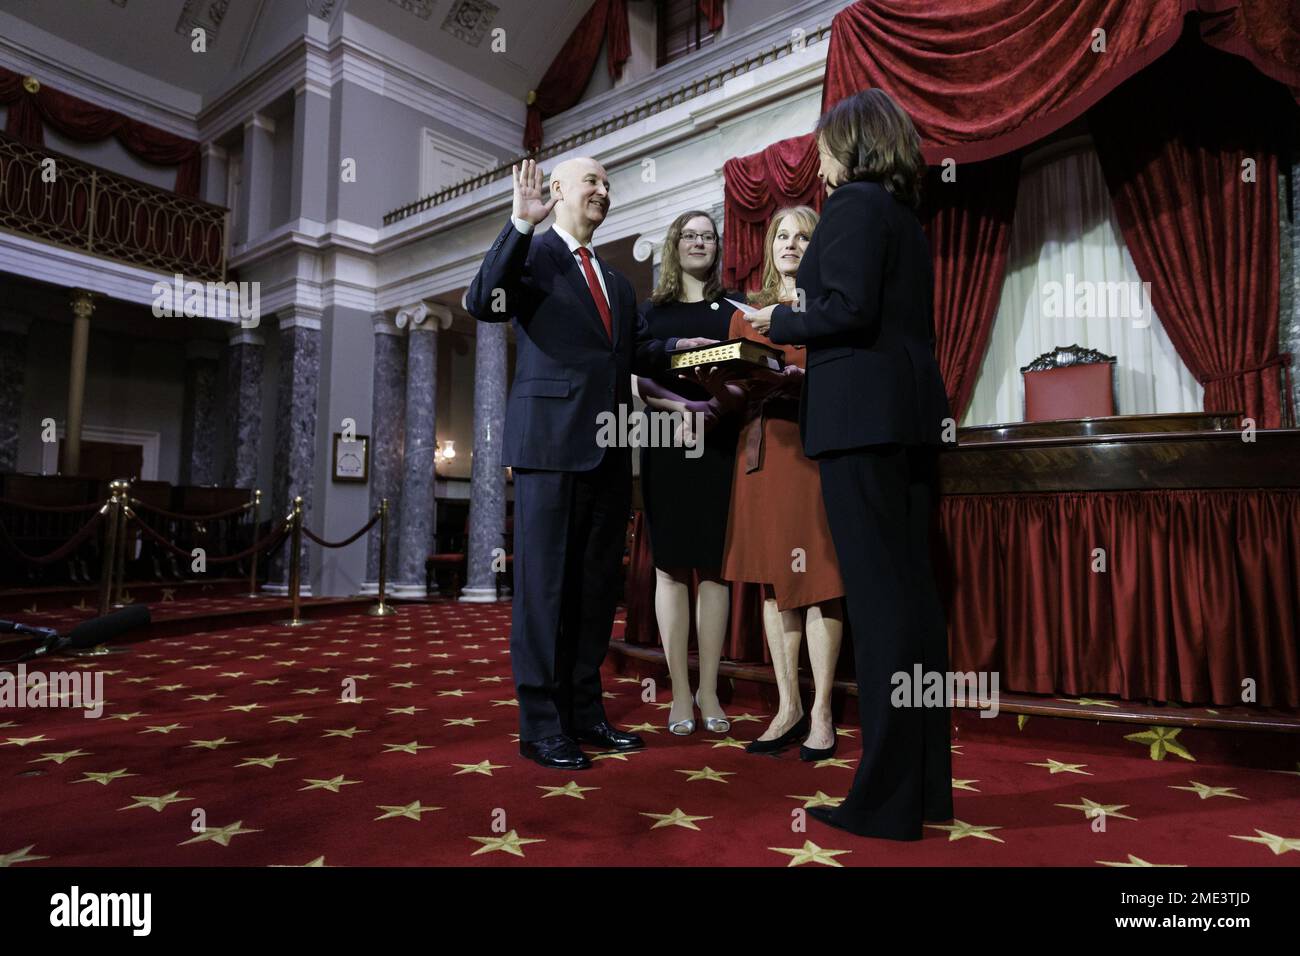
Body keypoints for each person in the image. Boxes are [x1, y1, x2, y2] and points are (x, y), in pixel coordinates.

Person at [745, 90, 955, 839]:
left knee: (881, 607)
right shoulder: (904, 214)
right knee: (916, 604)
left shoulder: (855, 207)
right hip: (905, 420)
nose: (817, 157)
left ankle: (886, 803)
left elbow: (849, 312)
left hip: (860, 424)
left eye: (825, 143)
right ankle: (927, 789)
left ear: (854, 144)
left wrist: (781, 319)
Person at [465, 157, 713, 770]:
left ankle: (583, 711)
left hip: (608, 450)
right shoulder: (535, 255)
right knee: (544, 593)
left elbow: (634, 354)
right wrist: (518, 226)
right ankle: (541, 725)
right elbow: (481, 301)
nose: (604, 189)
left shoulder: (617, 281)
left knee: (595, 593)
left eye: (608, 183)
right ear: (556, 191)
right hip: (549, 448)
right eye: (592, 181)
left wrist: (682, 351)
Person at [695, 206, 845, 759]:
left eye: (803, 236)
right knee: (771, 582)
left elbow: (841, 374)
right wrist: (714, 379)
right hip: (758, 451)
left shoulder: (828, 307)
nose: (789, 243)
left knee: (818, 582)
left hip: (809, 451)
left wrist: (804, 378)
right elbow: (733, 398)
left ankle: (823, 710)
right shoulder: (747, 314)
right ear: (769, 247)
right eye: (781, 235)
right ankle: (788, 706)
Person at [633, 210, 739, 735]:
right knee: (671, 568)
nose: (699, 242)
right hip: (667, 446)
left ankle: (711, 690)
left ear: (717, 247)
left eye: (708, 235)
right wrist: (683, 411)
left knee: (715, 569)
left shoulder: (733, 310)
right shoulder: (651, 313)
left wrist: (714, 409)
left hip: (720, 446)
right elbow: (637, 384)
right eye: (689, 235)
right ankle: (678, 693)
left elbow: (750, 373)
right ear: (674, 245)